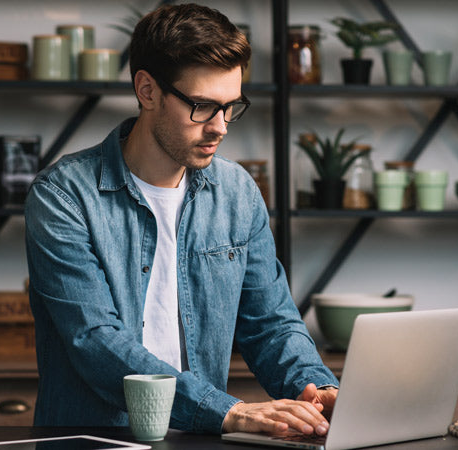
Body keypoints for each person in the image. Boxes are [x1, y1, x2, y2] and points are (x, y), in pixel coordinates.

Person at [25, 3, 338, 436]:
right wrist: (226, 412)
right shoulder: (63, 197)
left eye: (232, 107)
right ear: (147, 90)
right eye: (203, 106)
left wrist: (317, 389)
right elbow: (94, 341)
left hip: (200, 439)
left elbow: (271, 322)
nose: (221, 127)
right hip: (99, 441)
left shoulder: (238, 193)